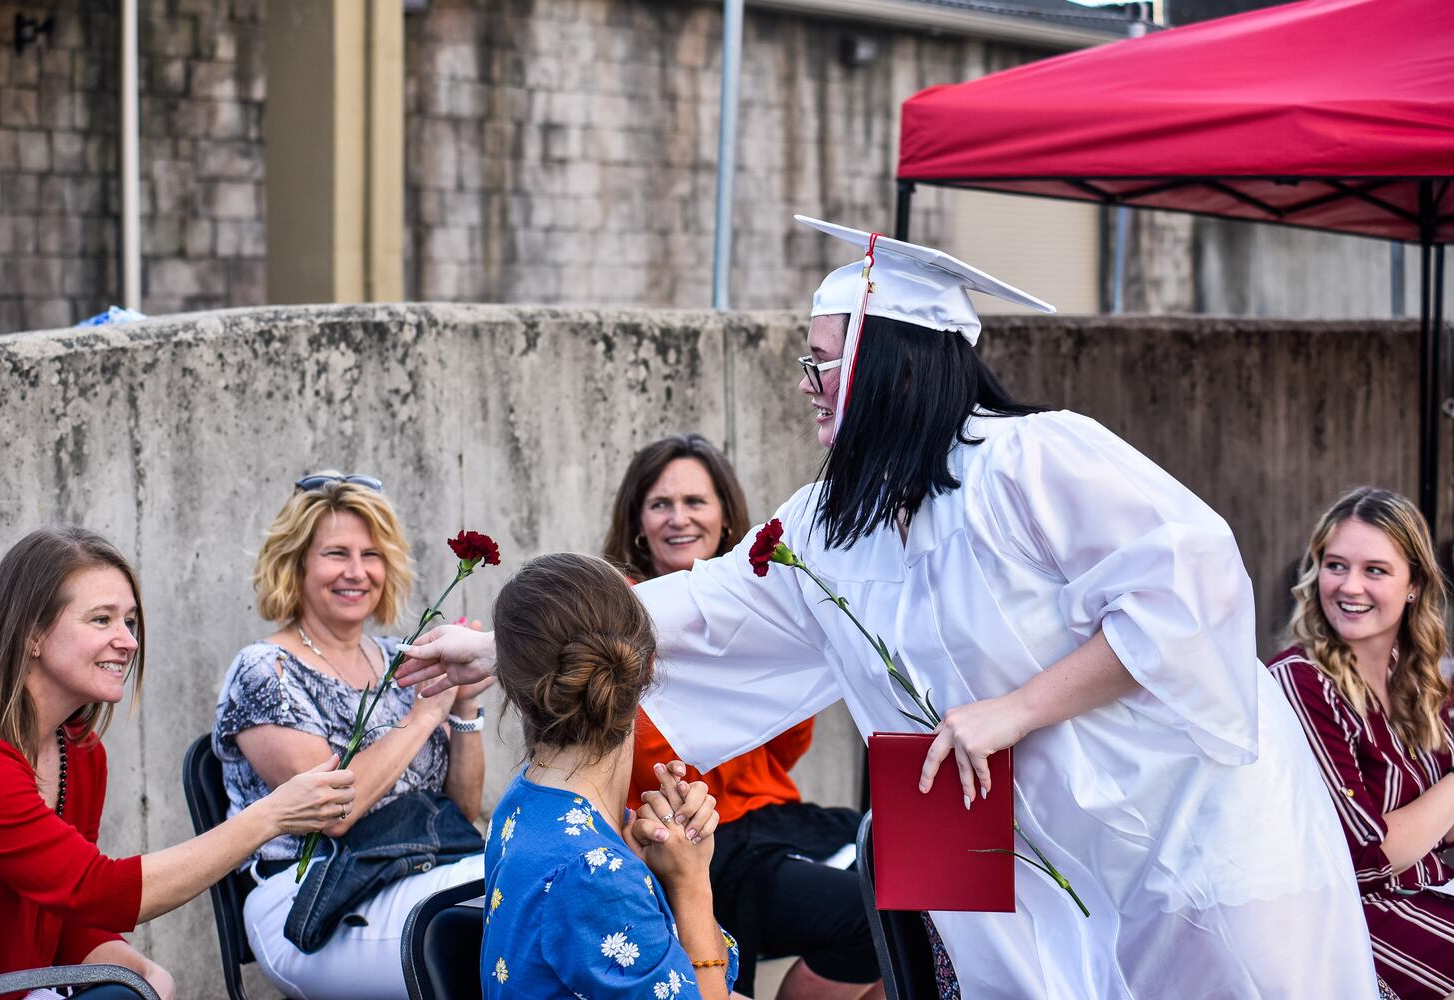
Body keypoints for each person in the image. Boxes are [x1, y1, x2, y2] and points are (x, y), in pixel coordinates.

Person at [397, 218, 1380, 998]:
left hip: (1168, 814)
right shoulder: (830, 520)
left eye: (825, 359)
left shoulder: (1037, 461)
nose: (808, 383)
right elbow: (704, 607)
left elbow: (1188, 589)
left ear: (897, 364)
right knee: (996, 979)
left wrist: (1018, 709)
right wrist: (504, 644)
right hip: (956, 801)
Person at [0, 525, 355, 998]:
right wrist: (270, 815)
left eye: (129, 621)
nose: (127, 641)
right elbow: (94, 890)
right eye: (101, 620)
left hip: (12, 987)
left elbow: (65, 911)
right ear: (32, 635)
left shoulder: (80, 751)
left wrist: (129, 964)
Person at [605, 434, 881, 999]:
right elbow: (654, 761)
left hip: (776, 821)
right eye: (661, 504)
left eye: (696, 502)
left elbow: (783, 746)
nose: (679, 519)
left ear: (727, 517)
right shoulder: (615, 612)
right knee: (872, 918)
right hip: (694, 835)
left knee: (917, 908)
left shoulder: (758, 602)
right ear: (637, 522)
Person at [213, 472, 487, 1000]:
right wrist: (424, 716)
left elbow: (462, 806)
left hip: (416, 868)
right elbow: (331, 813)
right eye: (337, 553)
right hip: (309, 899)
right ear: (295, 564)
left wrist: (464, 703)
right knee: (505, 911)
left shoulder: (396, 659)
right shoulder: (265, 671)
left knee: (542, 881)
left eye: (372, 554)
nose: (357, 572)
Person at [481, 552, 742, 1000]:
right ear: (648, 669)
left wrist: (646, 874)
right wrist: (692, 885)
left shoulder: (526, 800)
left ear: (512, 688)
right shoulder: (594, 872)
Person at [1268, 487, 1454, 1000]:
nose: (1349, 586)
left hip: (1428, 889)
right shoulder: (1299, 683)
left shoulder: (1414, 680)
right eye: (1335, 565)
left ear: (1414, 584)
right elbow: (1364, 857)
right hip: (1351, 916)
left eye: (1375, 570)